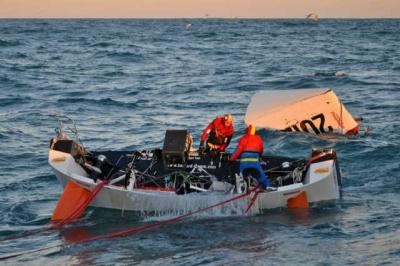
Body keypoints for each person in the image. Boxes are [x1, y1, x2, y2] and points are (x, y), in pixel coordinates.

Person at [229, 124, 273, 190]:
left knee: (242, 178)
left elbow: (238, 151)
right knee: (262, 177)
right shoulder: (258, 138)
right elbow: (261, 150)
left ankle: (243, 188)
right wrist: (260, 157)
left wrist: (231, 160)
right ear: (255, 131)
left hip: (244, 164)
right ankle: (268, 187)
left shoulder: (244, 138)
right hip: (255, 164)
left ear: (248, 130)